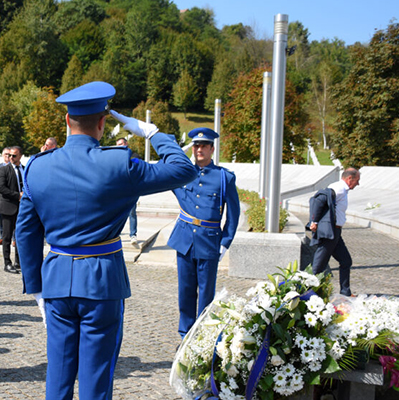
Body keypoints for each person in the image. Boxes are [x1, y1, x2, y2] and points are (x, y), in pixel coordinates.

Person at [16, 81, 195, 400]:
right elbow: (183, 170)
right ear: (102, 123)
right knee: (96, 378)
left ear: (67, 121)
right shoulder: (119, 163)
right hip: (101, 280)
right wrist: (152, 133)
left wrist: (37, 289)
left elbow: (26, 231)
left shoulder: (37, 167)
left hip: (56, 279)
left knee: (57, 375)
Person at [167, 128, 240, 339]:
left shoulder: (224, 177)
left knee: (206, 292)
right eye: (196, 146)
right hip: (184, 239)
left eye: (203, 146)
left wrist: (225, 242)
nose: (199, 150)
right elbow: (166, 170)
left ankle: (201, 334)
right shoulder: (182, 173)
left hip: (209, 241)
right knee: (185, 291)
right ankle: (185, 333)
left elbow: (233, 215)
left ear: (212, 149)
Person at [309, 167, 360, 296]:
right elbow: (318, 200)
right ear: (350, 179)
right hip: (329, 233)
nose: (358, 184)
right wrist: (313, 221)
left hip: (336, 233)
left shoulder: (342, 189)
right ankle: (305, 292)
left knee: (346, 261)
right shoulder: (338, 189)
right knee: (318, 266)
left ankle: (345, 292)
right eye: (357, 180)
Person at [0, 145, 24, 274]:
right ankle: (7, 263)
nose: (11, 158)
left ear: (20, 156)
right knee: (6, 237)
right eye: (9, 155)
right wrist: (17, 195)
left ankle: (18, 261)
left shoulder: (24, 169)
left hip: (21, 208)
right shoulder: (4, 170)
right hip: (8, 207)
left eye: (14, 155)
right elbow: (1, 188)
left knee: (19, 236)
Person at [116, 137, 141, 247]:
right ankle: (115, 233)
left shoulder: (134, 157)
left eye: (121, 144)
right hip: (119, 190)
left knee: (132, 212)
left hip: (131, 189)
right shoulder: (115, 158)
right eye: (118, 145)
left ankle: (133, 235)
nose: (120, 146)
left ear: (126, 144)